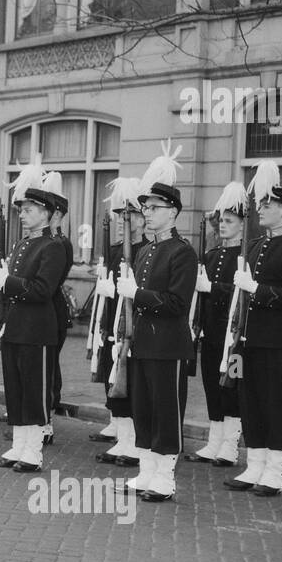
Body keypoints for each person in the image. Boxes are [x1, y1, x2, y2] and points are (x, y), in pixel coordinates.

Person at [223, 170, 282, 497]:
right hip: (247, 339)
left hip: (278, 339)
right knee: (249, 401)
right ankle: (254, 464)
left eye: (268, 204)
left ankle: (275, 470)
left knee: (276, 401)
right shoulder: (254, 245)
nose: (260, 209)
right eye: (261, 204)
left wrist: (256, 289)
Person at [117, 158, 198, 503]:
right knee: (144, 409)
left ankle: (165, 476)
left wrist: (137, 294)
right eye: (145, 208)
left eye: (153, 208)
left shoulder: (182, 252)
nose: (147, 213)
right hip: (143, 344)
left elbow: (176, 303)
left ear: (173, 212)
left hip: (168, 345)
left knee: (166, 411)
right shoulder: (146, 250)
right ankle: (147, 470)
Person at [0, 165, 64, 472]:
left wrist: (8, 281)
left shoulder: (52, 247)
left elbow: (42, 290)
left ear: (45, 213)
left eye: (29, 210)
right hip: (16, 328)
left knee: (34, 392)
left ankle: (33, 452)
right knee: (16, 391)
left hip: (37, 330)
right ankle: (18, 446)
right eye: (22, 209)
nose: (23, 214)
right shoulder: (22, 244)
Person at [187, 183, 245, 467]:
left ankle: (230, 445)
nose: (222, 225)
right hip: (211, 332)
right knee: (211, 384)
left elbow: (241, 294)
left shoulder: (246, 256)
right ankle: (214, 441)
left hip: (233, 336)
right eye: (221, 220)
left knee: (231, 387)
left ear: (243, 225)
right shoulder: (212, 255)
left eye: (229, 221)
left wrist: (212, 287)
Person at [91, 180, 147, 467]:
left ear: (141, 218)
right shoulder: (115, 251)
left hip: (134, 325)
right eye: (119, 217)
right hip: (113, 323)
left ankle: (136, 441)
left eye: (127, 217)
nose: (121, 223)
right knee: (116, 384)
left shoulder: (147, 250)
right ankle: (124, 440)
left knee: (134, 385)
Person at [38, 173, 73, 445]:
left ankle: (46, 420)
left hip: (51, 312)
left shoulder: (60, 243)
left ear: (57, 214)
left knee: (48, 369)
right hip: (37, 311)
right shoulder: (43, 241)